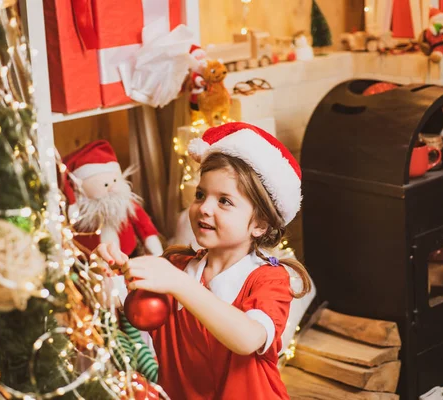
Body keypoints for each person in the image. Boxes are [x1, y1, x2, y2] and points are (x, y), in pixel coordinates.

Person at [97, 122, 312, 399]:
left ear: (259, 224)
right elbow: (103, 296)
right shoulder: (176, 265)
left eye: (224, 201)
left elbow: (248, 339)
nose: (204, 208)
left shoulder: (269, 279)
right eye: (200, 195)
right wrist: (102, 268)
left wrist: (180, 285)